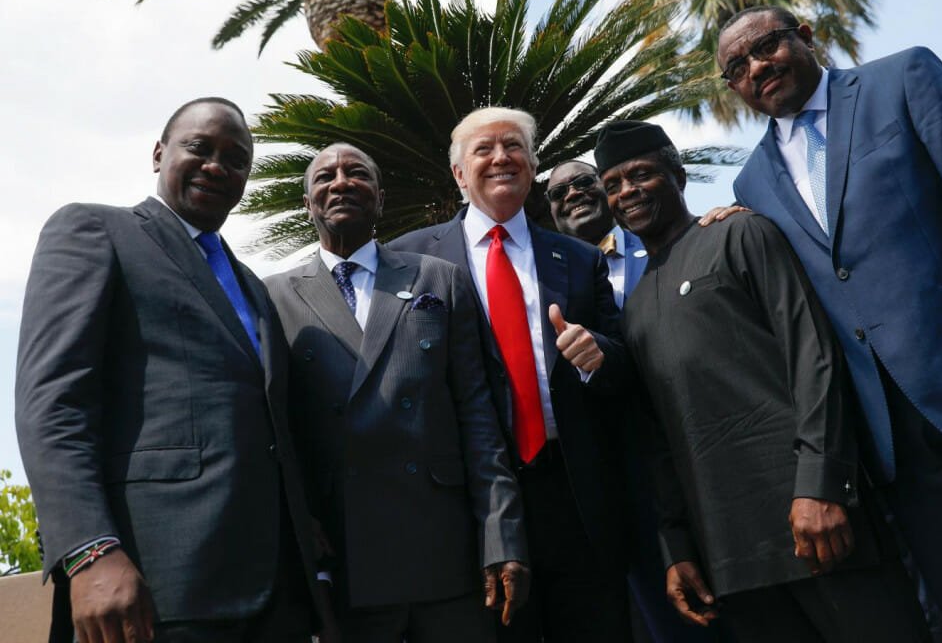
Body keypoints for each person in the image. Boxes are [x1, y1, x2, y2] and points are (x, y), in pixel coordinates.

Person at [717, 5, 942, 641]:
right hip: (895, 444)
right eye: (737, 68)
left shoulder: (902, 78)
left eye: (766, 46)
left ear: (804, 35)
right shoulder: (751, 184)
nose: (756, 67)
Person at [595, 120, 930, 642]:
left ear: (677, 174)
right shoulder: (634, 308)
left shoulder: (740, 234)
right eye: (612, 185)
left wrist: (821, 486)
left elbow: (813, 357)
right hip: (730, 555)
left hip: (817, 526)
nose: (626, 193)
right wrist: (677, 547)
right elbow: (658, 438)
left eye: (640, 174)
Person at [15, 98, 326, 643]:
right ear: (159, 153)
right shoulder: (95, 231)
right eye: (199, 148)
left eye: (236, 159)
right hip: (154, 588)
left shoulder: (254, 286)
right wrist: (89, 551)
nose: (216, 166)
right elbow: (52, 403)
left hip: (278, 596)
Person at [265, 143, 530, 642]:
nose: (340, 182)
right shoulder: (274, 296)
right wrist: (301, 532)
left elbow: (477, 416)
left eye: (356, 173)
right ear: (308, 204)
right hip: (345, 556)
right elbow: (277, 429)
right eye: (324, 177)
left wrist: (502, 536)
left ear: (380, 199)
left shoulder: (438, 278)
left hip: (444, 547)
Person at [390, 107, 633, 642]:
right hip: (467, 505)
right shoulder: (407, 260)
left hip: (574, 495)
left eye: (514, 147)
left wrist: (599, 356)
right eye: (484, 149)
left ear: (532, 165)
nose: (501, 157)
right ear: (459, 173)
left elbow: (624, 362)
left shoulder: (575, 258)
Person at [546, 161, 707, 643]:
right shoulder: (552, 282)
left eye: (583, 182)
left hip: (702, 450)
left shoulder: (671, 245)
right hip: (630, 480)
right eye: (557, 192)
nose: (572, 194)